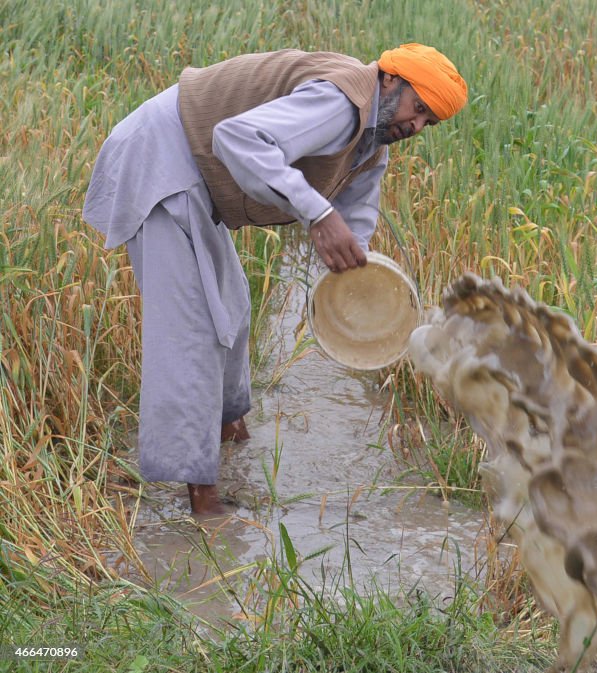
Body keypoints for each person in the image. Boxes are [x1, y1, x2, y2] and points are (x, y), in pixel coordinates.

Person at [82, 44, 468, 515]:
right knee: (193, 333)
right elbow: (238, 138)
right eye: (419, 108)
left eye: (429, 122)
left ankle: (232, 438)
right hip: (162, 158)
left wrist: (358, 280)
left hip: (196, 174)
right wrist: (317, 213)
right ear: (390, 80)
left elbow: (357, 217)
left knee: (235, 310)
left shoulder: (373, 140)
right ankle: (203, 503)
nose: (417, 126)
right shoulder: (342, 102)